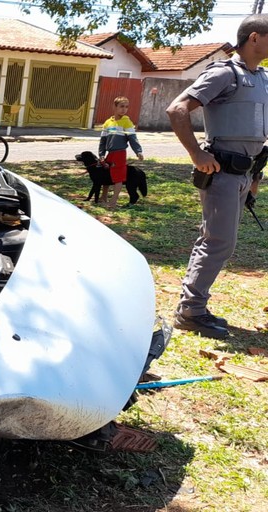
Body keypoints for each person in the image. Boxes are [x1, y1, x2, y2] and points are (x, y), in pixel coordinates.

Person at [166, 14, 268, 339]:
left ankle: (192, 307)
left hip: (243, 174)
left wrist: (255, 176)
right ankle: (191, 311)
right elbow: (177, 109)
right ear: (254, 38)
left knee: (221, 241)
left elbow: (258, 134)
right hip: (221, 172)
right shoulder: (225, 73)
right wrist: (197, 154)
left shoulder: (263, 78)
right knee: (217, 242)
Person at [98, 96, 145, 209]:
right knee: (106, 177)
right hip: (110, 154)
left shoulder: (127, 122)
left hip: (120, 154)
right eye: (121, 106)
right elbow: (103, 140)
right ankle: (103, 198)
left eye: (126, 107)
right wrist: (101, 154)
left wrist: (138, 151)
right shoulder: (108, 123)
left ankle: (113, 202)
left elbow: (133, 138)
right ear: (114, 106)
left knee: (118, 178)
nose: (124, 109)